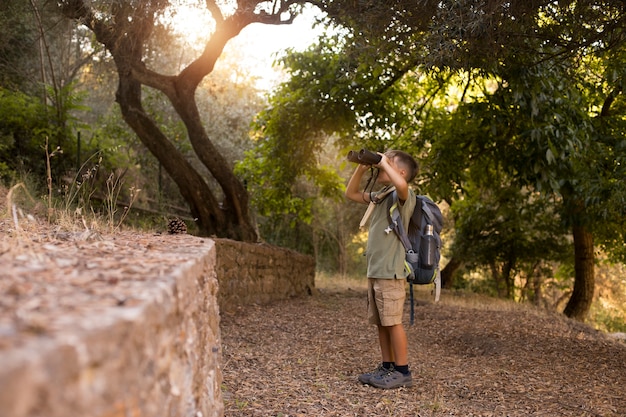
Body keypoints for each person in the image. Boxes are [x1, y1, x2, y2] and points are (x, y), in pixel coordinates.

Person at [345, 149, 418, 389]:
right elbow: (351, 193)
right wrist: (363, 167)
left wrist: (382, 162)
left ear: (401, 172)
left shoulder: (404, 195)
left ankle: (402, 371)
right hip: (376, 270)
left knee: (393, 321)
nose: (384, 163)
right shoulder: (381, 196)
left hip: (391, 271)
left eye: (391, 160)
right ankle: (387, 367)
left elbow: (402, 185)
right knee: (381, 322)